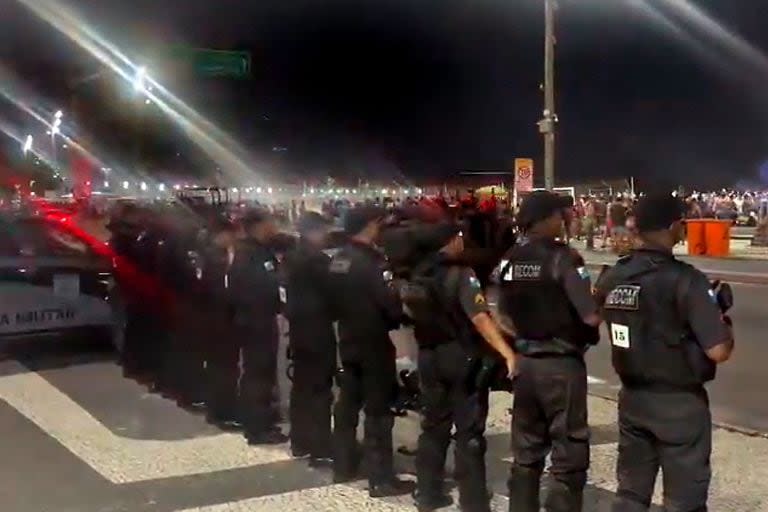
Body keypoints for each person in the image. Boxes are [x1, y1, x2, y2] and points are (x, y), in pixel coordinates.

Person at [594, 194, 734, 512]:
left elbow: (598, 321)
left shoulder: (614, 276)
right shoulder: (686, 280)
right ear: (673, 227)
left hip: (632, 400)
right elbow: (718, 351)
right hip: (679, 405)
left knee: (630, 493)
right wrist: (723, 317)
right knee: (684, 502)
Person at [498, 190, 602, 512]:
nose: (563, 221)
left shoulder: (510, 258)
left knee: (526, 454)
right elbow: (590, 316)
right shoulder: (563, 258)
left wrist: (529, 335)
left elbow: (502, 316)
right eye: (559, 215)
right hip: (561, 365)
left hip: (526, 364)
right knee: (568, 455)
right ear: (545, 219)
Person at [402, 223, 517, 512]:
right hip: (461, 357)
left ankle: (427, 494)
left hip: (429, 357)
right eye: (460, 238)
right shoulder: (461, 274)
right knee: (469, 433)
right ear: (451, 242)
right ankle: (474, 500)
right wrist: (507, 353)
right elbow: (479, 318)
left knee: (433, 427)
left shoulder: (418, 274)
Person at [329, 205, 414, 497]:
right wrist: (398, 313)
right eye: (379, 224)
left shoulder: (338, 259)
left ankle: (343, 464)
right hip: (374, 343)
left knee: (347, 405)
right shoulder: (373, 262)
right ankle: (381, 478)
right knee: (379, 412)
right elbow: (389, 304)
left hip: (348, 339)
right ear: (370, 225)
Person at [229, 209, 287, 444]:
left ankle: (258, 420)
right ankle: (257, 427)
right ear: (258, 226)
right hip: (256, 321)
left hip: (257, 318)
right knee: (258, 374)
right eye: (269, 223)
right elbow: (252, 288)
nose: (274, 227)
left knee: (259, 373)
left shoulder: (256, 250)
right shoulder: (249, 253)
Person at [285, 212, 336, 466]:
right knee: (319, 390)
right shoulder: (318, 261)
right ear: (312, 232)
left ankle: (300, 440)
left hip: (298, 331)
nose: (326, 236)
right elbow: (333, 294)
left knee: (301, 388)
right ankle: (321, 447)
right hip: (318, 332)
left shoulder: (291, 257)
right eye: (323, 231)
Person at [203, 217, 242, 431]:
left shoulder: (209, 254)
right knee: (225, 367)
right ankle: (223, 411)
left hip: (213, 319)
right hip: (220, 320)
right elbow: (222, 291)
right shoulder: (216, 258)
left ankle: (217, 409)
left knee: (220, 367)